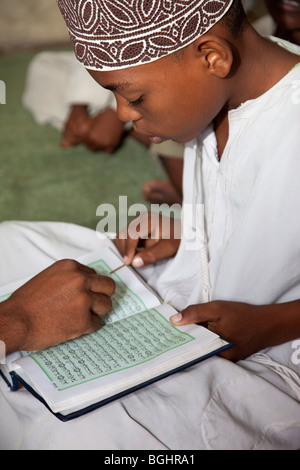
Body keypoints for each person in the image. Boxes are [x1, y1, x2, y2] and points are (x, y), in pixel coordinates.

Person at [1, 0, 300, 450]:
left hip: (271, 347)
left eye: (134, 97)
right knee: (9, 243)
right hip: (187, 288)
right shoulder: (218, 92)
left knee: (70, 437)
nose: (122, 114)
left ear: (213, 57)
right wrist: (191, 231)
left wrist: (272, 323)